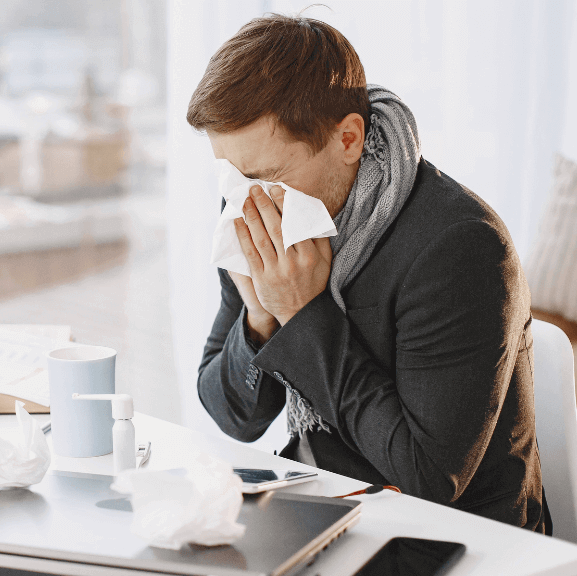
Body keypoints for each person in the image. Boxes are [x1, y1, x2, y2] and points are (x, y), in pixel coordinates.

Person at [190, 14, 549, 533]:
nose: (244, 199)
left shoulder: (461, 247)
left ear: (348, 140)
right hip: (317, 505)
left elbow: (429, 478)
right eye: (230, 174)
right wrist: (259, 318)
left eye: (265, 176)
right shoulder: (254, 202)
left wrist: (302, 315)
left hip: (454, 539)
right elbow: (235, 418)